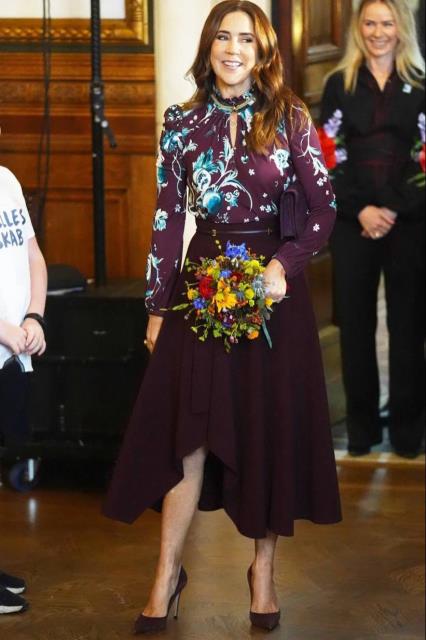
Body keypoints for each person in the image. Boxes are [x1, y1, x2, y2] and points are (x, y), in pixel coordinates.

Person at [104, 1, 341, 633]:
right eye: (223, 38)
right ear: (209, 47)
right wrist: (157, 306)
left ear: (263, 53)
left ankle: (263, 571)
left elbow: (323, 210)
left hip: (273, 295)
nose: (233, 49)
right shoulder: (180, 122)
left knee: (267, 428)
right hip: (200, 288)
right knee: (189, 432)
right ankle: (166, 575)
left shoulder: (290, 117)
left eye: (246, 40)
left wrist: (284, 265)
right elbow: (167, 220)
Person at [319, 0, 425, 457]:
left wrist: (393, 209)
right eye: (370, 23)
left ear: (401, 29)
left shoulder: (421, 84)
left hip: (410, 222)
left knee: (409, 327)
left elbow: (425, 155)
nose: (378, 32)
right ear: (357, 29)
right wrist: (361, 209)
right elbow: (327, 153)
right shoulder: (338, 85)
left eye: (387, 23)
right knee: (355, 326)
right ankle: (361, 431)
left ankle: (408, 432)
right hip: (352, 222)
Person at [0, 160, 48, 614]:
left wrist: (34, 316)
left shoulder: (7, 179)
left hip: (13, 351)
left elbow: (33, 256)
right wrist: (4, 330)